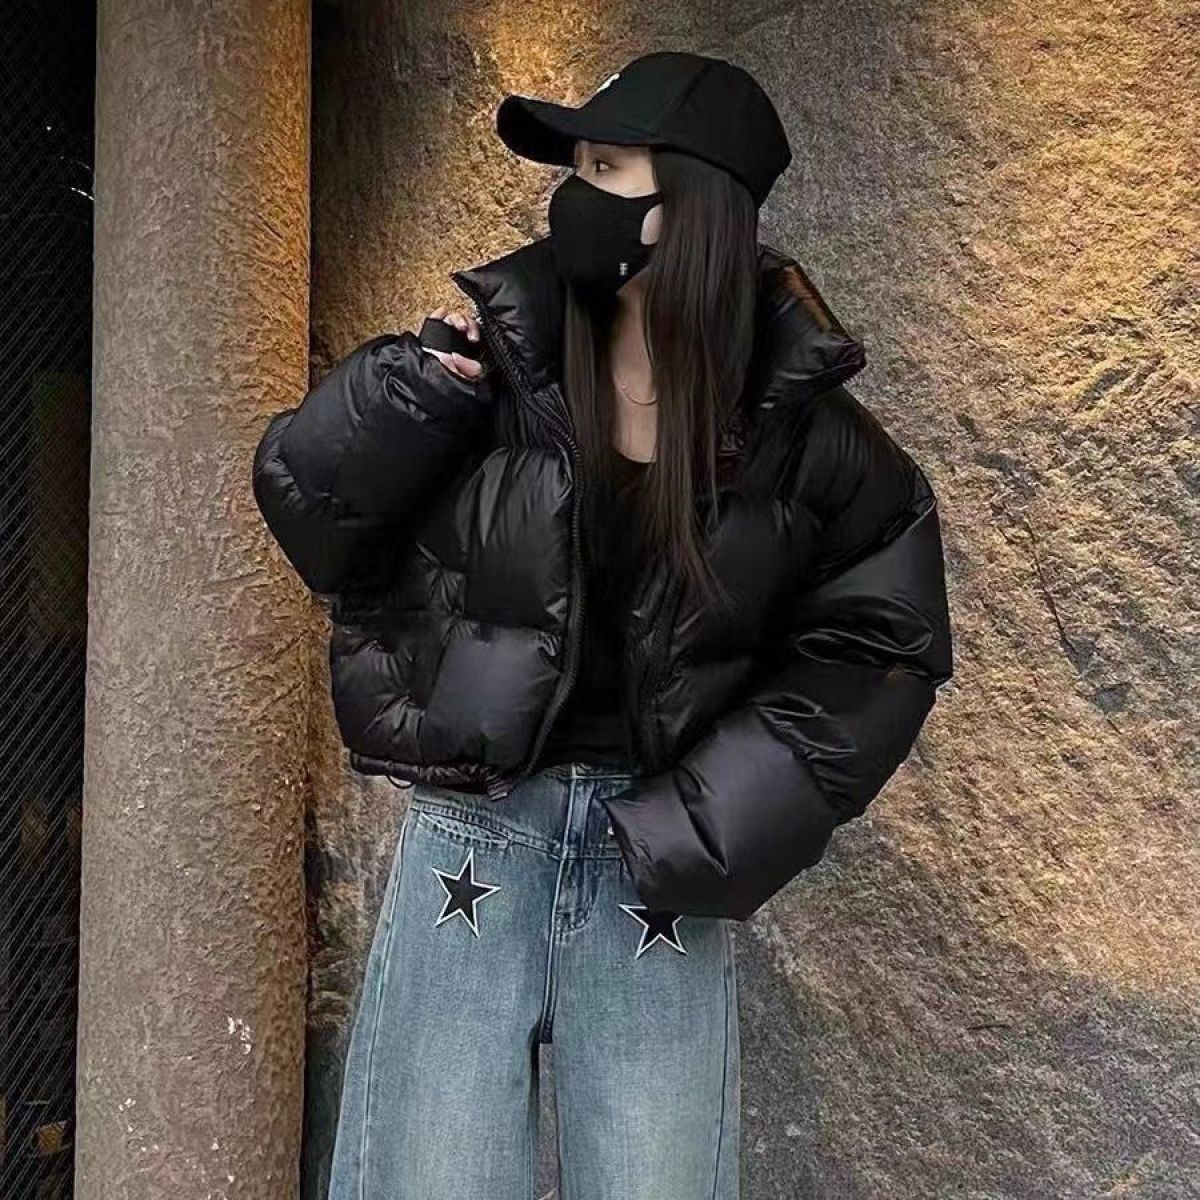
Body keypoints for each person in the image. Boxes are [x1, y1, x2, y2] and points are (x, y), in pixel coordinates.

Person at [252, 49, 953, 1200]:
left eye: (606, 168)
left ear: (688, 211)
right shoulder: (504, 358)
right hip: (478, 833)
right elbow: (308, 510)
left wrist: (715, 817)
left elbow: (884, 640)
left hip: (654, 861)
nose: (575, 195)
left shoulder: (799, 426)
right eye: (578, 167)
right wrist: (408, 397)